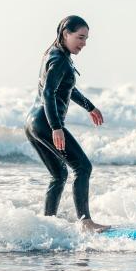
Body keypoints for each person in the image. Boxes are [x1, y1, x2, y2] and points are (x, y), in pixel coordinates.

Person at [24, 15, 110, 233]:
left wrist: (89, 106)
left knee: (59, 174)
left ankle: (47, 225)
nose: (84, 43)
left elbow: (66, 89)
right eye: (80, 37)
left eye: (86, 39)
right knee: (83, 167)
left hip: (33, 122)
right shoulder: (60, 59)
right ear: (65, 34)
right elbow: (48, 93)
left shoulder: (56, 55)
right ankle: (86, 222)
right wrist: (56, 127)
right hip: (45, 122)